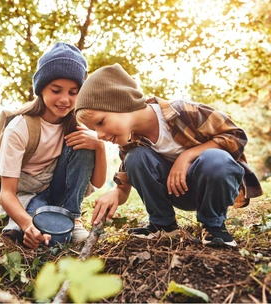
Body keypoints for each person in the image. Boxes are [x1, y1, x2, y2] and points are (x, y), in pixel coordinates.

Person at [74, 63, 263, 247]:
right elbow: (124, 187)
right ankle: (163, 224)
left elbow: (235, 136)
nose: (99, 135)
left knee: (216, 159)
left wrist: (186, 156)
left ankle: (214, 227)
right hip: (177, 193)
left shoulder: (183, 112)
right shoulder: (130, 144)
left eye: (100, 122)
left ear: (121, 103)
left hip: (212, 186)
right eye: (93, 129)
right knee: (136, 157)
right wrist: (114, 194)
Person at [0, 42, 107, 250]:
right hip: (27, 195)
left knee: (84, 142)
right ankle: (23, 226)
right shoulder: (20, 129)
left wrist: (99, 146)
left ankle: (72, 217)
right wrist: (28, 225)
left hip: (58, 190)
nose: (65, 99)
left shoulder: (76, 126)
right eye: (56, 90)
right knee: (47, 239)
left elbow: (99, 182)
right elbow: (7, 192)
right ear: (41, 89)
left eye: (73, 92)